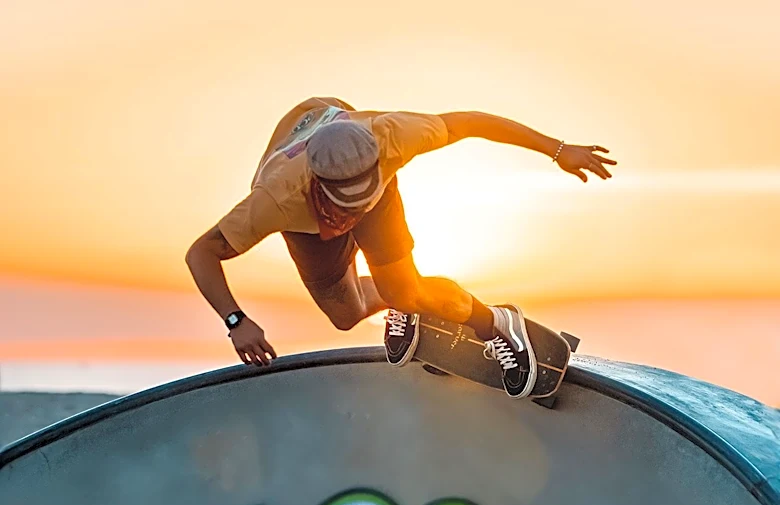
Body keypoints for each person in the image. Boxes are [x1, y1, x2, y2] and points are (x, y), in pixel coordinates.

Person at [186, 97, 616, 398]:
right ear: (315, 193)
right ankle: (397, 296)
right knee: (345, 314)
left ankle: (496, 323)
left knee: (404, 291)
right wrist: (236, 320)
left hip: (352, 155)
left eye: (358, 213)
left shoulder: (393, 138)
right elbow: (201, 253)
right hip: (300, 188)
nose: (347, 226)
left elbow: (472, 122)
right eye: (337, 215)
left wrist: (558, 150)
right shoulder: (274, 200)